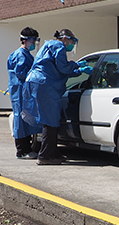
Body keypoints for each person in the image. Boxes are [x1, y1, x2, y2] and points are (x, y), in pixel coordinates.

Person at [22, 29, 92, 165]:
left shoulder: (49, 45)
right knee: (51, 120)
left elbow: (56, 68)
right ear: (65, 39)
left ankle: (53, 153)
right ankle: (45, 156)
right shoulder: (59, 46)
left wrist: (76, 68)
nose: (71, 45)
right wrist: (78, 68)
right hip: (45, 84)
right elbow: (63, 68)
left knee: (49, 119)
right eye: (71, 41)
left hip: (38, 82)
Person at [7, 27, 42, 159]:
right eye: (32, 41)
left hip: (23, 92)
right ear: (24, 40)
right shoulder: (20, 55)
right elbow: (21, 73)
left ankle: (26, 148)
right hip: (20, 92)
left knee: (25, 120)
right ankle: (22, 150)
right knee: (21, 120)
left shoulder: (25, 54)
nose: (34, 44)